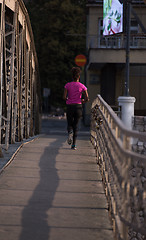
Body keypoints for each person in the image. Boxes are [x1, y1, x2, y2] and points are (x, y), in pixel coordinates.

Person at [63, 67, 89, 150]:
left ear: (72, 76)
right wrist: (83, 101)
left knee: (69, 123)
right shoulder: (82, 86)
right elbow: (87, 98)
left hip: (70, 106)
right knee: (76, 125)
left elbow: (64, 97)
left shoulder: (67, 85)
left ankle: (69, 132)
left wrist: (68, 99)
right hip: (78, 107)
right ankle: (73, 145)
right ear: (79, 77)